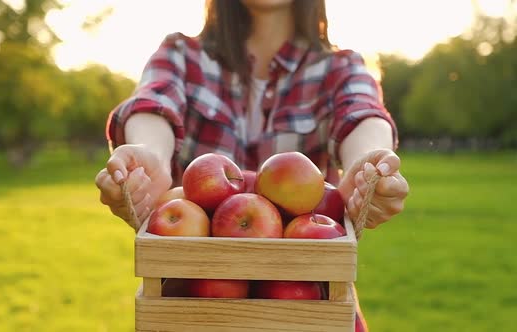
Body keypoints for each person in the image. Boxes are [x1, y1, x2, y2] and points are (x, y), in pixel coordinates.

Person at [95, 0, 409, 330]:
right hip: (193, 310)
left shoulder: (340, 67)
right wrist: (148, 154)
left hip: (308, 311)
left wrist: (369, 161)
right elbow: (154, 101)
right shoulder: (181, 55)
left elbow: (362, 113)